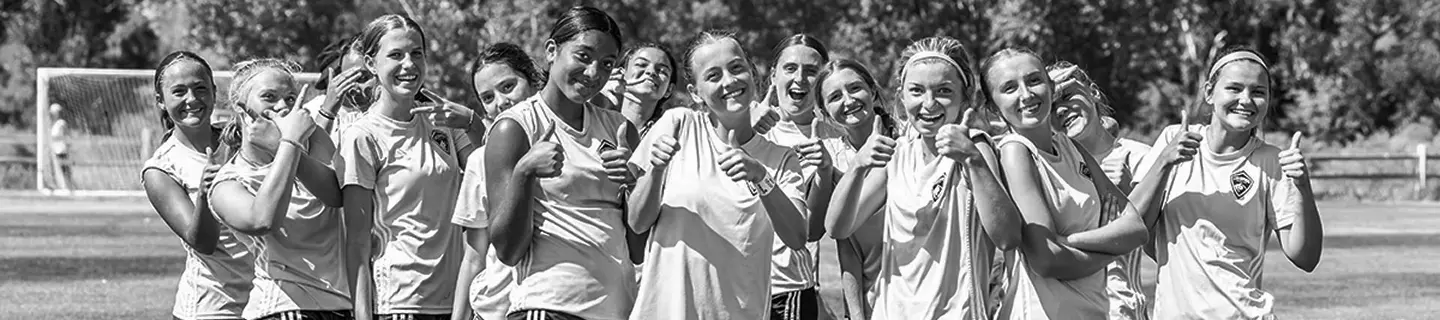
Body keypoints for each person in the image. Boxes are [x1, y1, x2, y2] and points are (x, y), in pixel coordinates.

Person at [825, 37, 1021, 319]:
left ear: (966, 98)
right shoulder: (898, 153)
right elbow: (838, 228)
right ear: (902, 97)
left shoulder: (975, 146)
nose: (929, 103)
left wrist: (972, 161)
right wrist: (858, 166)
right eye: (917, 91)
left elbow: (1008, 237)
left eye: (943, 91)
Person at [626, 30, 810, 319]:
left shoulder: (781, 158)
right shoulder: (678, 124)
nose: (729, 81)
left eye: (737, 68)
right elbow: (637, 222)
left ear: (752, 72)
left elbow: (797, 237)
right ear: (695, 93)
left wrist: (761, 177)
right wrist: (656, 171)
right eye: (713, 76)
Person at [1131, 46, 1323, 319]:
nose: (1246, 100)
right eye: (1234, 88)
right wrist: (1164, 162)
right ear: (1209, 92)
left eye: (1258, 92)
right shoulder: (1173, 140)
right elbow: (1134, 228)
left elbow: (1305, 258)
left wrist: (1303, 187)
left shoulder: (1272, 161)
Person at [483, 6, 641, 320]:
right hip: (548, 309)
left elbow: (639, 248)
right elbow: (507, 251)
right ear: (552, 50)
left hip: (617, 311)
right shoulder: (514, 127)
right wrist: (524, 173)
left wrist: (634, 185)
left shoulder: (621, 130)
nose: (594, 73)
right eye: (583, 56)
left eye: (607, 64)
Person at [980, 48, 1147, 320]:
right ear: (992, 109)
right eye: (1010, 88)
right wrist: (1109, 248)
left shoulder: (1071, 147)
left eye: (1034, 80)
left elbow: (1136, 229)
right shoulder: (1015, 152)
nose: (1026, 94)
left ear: (1050, 85)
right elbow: (1047, 260)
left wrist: (1069, 241)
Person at [336, 14, 472, 320]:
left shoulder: (444, 120)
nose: (409, 65)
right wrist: (362, 316)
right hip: (399, 305)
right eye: (396, 55)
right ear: (371, 63)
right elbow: (357, 241)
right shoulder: (363, 135)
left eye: (417, 53)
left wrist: (473, 122)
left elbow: (490, 171)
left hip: (455, 304)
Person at [206, 58, 351, 320]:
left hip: (342, 307)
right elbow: (262, 220)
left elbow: (338, 196)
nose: (283, 106)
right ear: (242, 109)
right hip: (284, 309)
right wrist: (288, 144)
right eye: (269, 97)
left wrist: (289, 144)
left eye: (290, 97)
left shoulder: (309, 145)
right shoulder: (230, 180)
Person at [141, 50, 253, 320]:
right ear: (161, 101)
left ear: (214, 92)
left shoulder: (242, 139)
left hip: (265, 301)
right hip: (213, 309)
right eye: (179, 92)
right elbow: (203, 242)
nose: (192, 100)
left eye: (200, 89)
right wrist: (205, 194)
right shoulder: (160, 169)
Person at [1047, 61, 1152, 319]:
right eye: (1050, 106)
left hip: (1122, 311)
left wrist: (1130, 195)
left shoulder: (1140, 158)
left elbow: (1161, 249)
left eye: (1068, 95)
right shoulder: (1047, 167)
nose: (1060, 109)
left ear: (1092, 92)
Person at [450, 42, 544, 320]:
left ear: (534, 81)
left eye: (507, 87)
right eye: (487, 98)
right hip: (493, 309)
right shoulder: (480, 160)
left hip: (551, 302)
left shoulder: (569, 145)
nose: (501, 102)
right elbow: (474, 256)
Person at [753, 33, 837, 320]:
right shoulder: (744, 122)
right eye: (790, 68)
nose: (800, 78)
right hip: (730, 278)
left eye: (811, 71)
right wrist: (745, 134)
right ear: (774, 74)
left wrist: (826, 172)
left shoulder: (835, 138)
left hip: (787, 289)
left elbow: (812, 230)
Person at [807, 58, 894, 319]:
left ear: (873, 91)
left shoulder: (909, 141)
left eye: (855, 88)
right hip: (871, 300)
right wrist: (856, 315)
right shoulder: (832, 158)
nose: (848, 100)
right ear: (823, 112)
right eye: (834, 96)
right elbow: (847, 247)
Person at [306, 35, 376, 139]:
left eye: (362, 78)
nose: (353, 88)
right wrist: (327, 112)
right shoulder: (314, 111)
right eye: (345, 79)